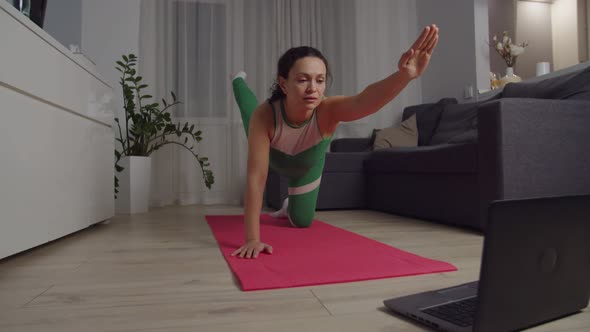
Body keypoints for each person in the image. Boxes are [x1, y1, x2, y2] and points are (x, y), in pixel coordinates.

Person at [231, 24, 439, 259]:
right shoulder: (266, 115)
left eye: (320, 80)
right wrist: (252, 239)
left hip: (306, 167)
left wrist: (404, 76)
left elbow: (365, 100)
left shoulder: (329, 110)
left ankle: (290, 205)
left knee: (302, 222)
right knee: (251, 112)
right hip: (275, 157)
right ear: (284, 84)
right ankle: (238, 82)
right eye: (302, 80)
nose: (313, 89)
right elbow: (256, 178)